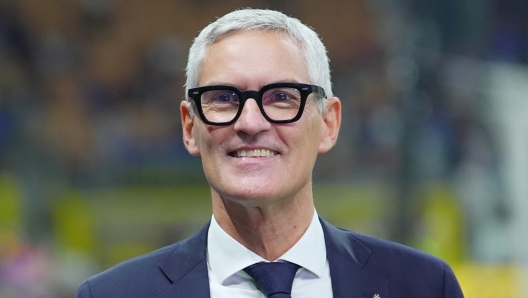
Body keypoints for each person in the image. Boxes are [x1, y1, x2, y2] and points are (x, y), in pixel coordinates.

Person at [75, 8, 464, 298]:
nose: (250, 122)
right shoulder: (113, 294)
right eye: (223, 98)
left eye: (280, 97)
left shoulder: (424, 286)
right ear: (190, 127)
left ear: (328, 123)